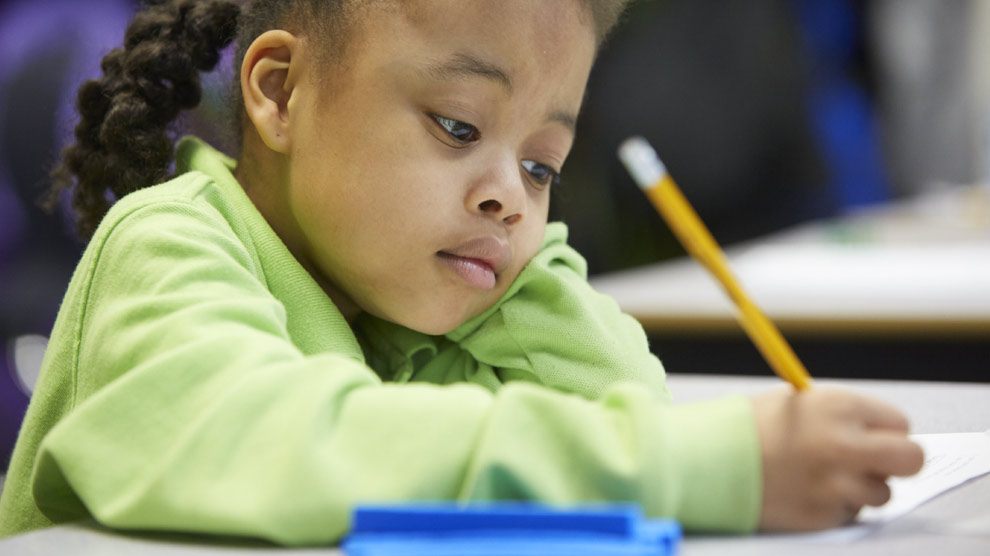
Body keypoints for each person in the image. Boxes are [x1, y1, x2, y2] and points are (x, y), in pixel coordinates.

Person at [0, 0, 923, 546]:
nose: (509, 200)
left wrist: (515, 269)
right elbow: (287, 445)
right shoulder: (168, 249)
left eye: (543, 165)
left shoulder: (410, 302)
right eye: (457, 126)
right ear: (280, 91)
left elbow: (623, 402)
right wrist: (705, 466)